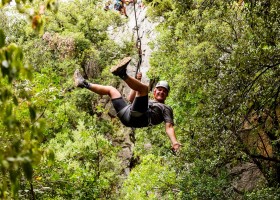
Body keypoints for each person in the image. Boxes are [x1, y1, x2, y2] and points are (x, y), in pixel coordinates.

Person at [73, 57, 181, 152]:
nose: (161, 92)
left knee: (143, 88)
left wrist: (175, 142)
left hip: (139, 117)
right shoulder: (148, 101)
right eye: (159, 90)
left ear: (167, 95)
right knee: (111, 90)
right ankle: (83, 83)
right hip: (127, 114)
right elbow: (131, 98)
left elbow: (169, 127)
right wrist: (138, 81)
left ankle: (122, 74)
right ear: (155, 92)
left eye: (164, 91)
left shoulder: (166, 108)